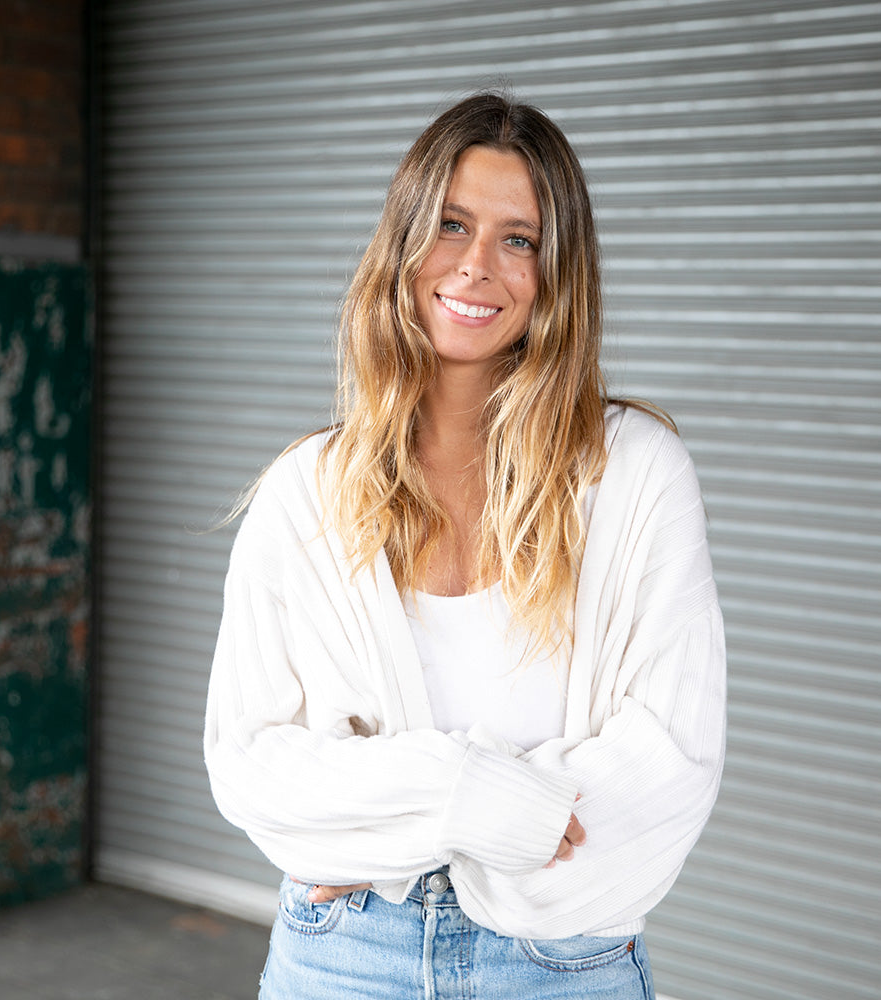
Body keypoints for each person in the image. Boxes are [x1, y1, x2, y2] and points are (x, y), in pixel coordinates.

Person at [203, 91, 726, 999]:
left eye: (517, 239)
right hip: (344, 954)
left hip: (565, 964)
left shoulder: (636, 474)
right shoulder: (305, 493)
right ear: (403, 244)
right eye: (450, 225)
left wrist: (380, 823)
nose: (477, 266)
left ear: (556, 271)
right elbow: (251, 762)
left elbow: (672, 758)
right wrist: (472, 800)